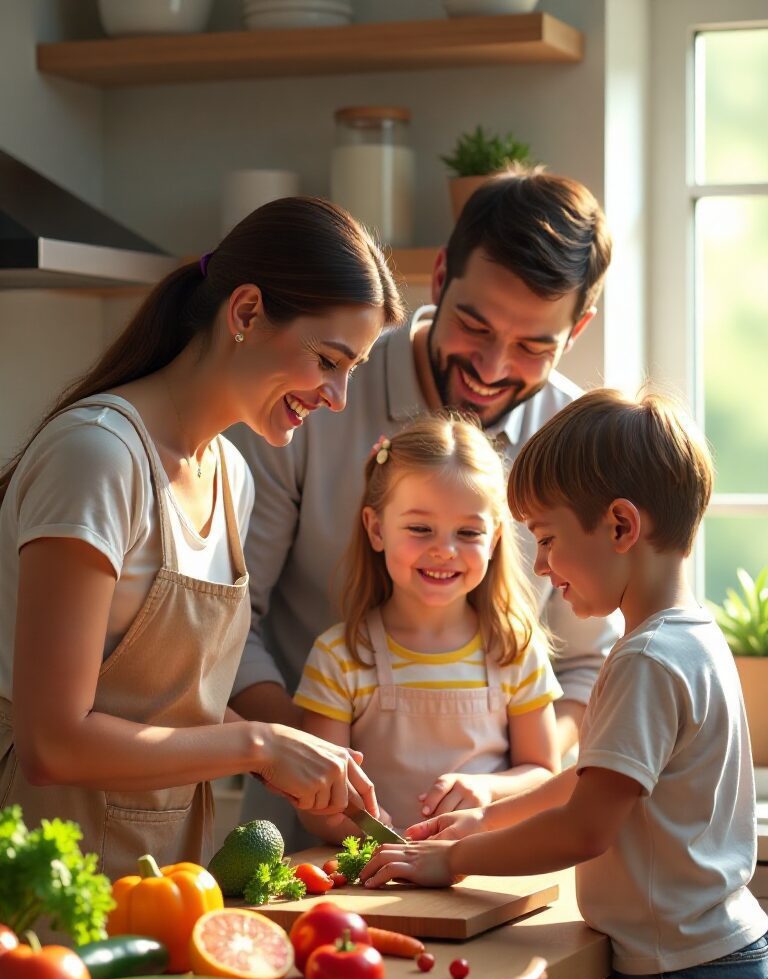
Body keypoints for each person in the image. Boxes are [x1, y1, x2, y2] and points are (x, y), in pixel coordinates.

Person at [359, 388, 768, 979]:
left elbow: (586, 826)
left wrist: (453, 861)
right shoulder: (693, 633)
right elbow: (597, 781)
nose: (542, 568)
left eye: (546, 540)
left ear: (620, 525)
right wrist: (489, 818)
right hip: (712, 961)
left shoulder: (646, 658)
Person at [0, 196, 404, 881]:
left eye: (353, 371)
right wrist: (256, 744)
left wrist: (297, 755)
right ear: (245, 313)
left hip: (168, 884)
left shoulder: (231, 476)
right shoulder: (98, 457)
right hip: (46, 894)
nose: (336, 397)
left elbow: (166, 708)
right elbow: (53, 743)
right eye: (328, 360)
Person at [228, 163, 620, 846]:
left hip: (489, 851)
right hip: (305, 838)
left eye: (534, 347)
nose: (493, 368)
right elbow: (233, 620)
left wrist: (509, 787)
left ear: (577, 329)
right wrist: (314, 763)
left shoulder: (579, 448)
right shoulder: (310, 398)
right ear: (439, 279)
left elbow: (587, 665)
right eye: (474, 325)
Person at [293, 411, 561, 842]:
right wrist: (392, 848)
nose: (444, 550)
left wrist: (487, 789)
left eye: (469, 532)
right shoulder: (339, 657)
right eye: (420, 528)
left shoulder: (514, 648)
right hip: (374, 880)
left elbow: (546, 773)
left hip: (483, 874)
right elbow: (319, 804)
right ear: (376, 529)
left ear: (494, 539)